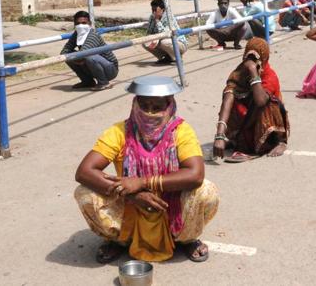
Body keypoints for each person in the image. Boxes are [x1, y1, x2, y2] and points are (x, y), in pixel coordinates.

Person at [74, 76, 219, 263]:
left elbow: (196, 174)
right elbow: (84, 171)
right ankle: (119, 240)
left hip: (171, 204)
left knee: (207, 191)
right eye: (144, 106)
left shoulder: (181, 131)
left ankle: (185, 238)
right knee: (85, 193)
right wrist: (131, 194)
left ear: (169, 106)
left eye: (157, 107)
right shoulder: (119, 131)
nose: (149, 113)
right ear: (135, 104)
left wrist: (142, 182)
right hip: (130, 204)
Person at [213, 37, 289, 163]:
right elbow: (228, 97)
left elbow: (260, 101)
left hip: (266, 119)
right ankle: (237, 140)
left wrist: (254, 72)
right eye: (249, 59)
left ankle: (279, 142)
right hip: (248, 117)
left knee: (268, 103)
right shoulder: (239, 73)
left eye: (255, 60)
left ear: (264, 59)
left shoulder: (270, 76)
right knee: (231, 97)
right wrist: (220, 135)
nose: (252, 63)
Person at [61, 11, 118, 91]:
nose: (81, 26)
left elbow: (84, 53)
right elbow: (64, 52)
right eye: (78, 23)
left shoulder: (93, 35)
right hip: (90, 65)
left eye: (84, 23)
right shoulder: (76, 34)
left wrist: (79, 59)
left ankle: (104, 82)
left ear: (89, 23)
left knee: (88, 56)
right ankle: (87, 81)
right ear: (74, 25)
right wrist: (77, 59)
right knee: (67, 57)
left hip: (110, 69)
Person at [144, 0, 188, 64]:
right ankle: (166, 57)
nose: (154, 12)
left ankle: (177, 58)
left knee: (164, 42)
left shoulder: (169, 17)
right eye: (152, 9)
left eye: (156, 9)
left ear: (162, 9)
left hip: (179, 43)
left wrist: (157, 21)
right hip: (162, 41)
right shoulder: (152, 17)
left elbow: (165, 34)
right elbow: (149, 32)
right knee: (145, 42)